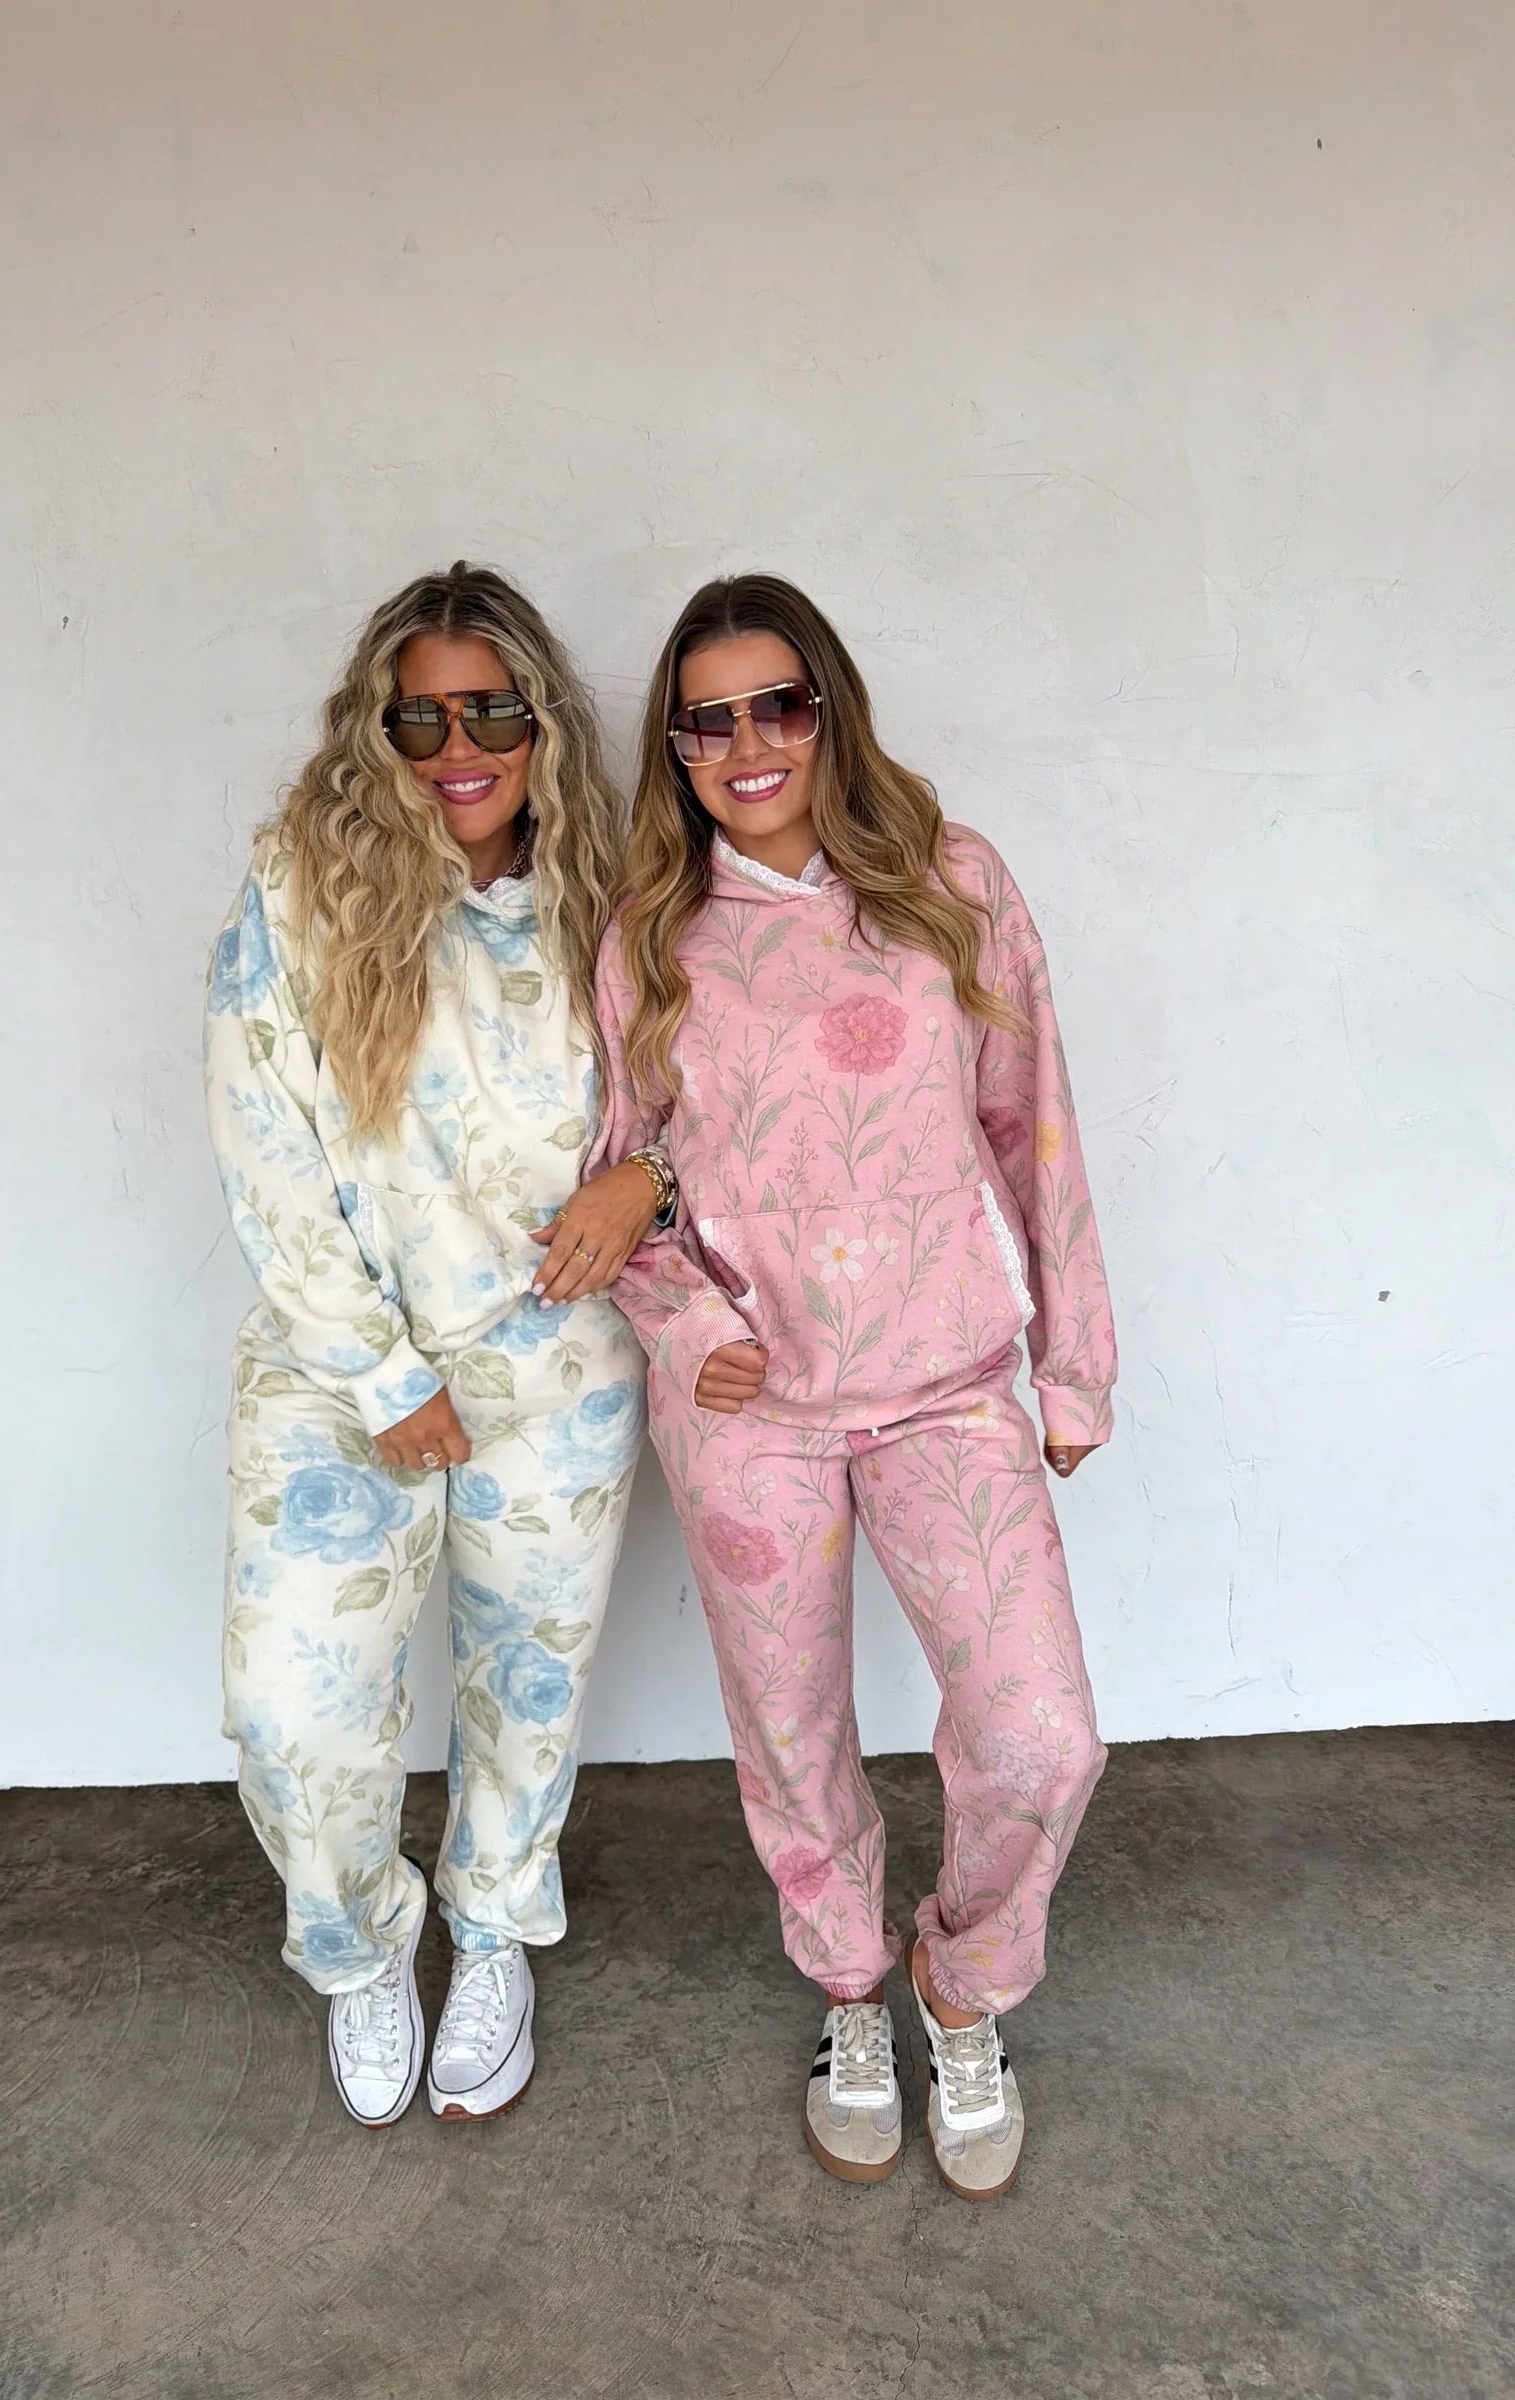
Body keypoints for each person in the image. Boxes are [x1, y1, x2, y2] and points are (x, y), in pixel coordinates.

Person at [590, 574, 1116, 2196]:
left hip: (945, 1385)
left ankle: (963, 1985)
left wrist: (1075, 1364)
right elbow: (618, 1188)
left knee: (1041, 1738)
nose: (748, 742)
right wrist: (691, 1331)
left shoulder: (956, 882)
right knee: (791, 1729)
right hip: (750, 1410)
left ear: (830, 710)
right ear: (676, 751)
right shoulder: (650, 937)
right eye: (708, 720)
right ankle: (845, 1993)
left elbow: (1035, 1124)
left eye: (779, 703)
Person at [205, 564, 674, 2127]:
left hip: (556, 1371)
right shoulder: (299, 889)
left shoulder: (619, 902)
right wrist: (381, 1378)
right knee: (295, 1712)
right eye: (421, 718)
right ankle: (360, 1949)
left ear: (547, 725)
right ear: (376, 729)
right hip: (339, 1377)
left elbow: (724, 1092)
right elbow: (264, 1143)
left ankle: (491, 1930)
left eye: (493, 712)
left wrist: (652, 1175)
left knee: (526, 1692)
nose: (457, 747)